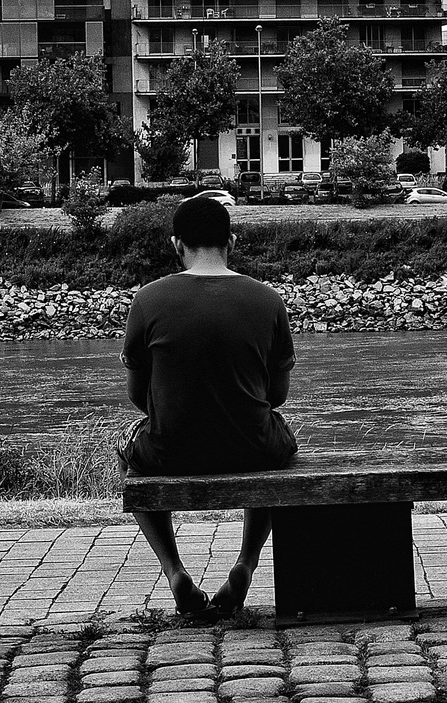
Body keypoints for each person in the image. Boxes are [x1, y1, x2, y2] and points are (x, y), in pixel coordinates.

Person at [119, 194, 297, 615]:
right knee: (280, 439)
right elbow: (278, 396)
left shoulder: (148, 300)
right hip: (254, 448)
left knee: (125, 448)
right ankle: (247, 563)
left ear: (175, 245)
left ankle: (174, 569)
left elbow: (136, 396)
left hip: (169, 452)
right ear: (231, 241)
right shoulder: (268, 300)